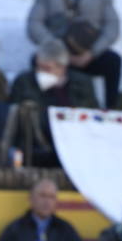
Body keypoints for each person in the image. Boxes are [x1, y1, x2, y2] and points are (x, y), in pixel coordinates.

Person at [7, 39, 100, 168]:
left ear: (62, 67)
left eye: (46, 68)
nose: (40, 71)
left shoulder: (82, 83)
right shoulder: (24, 82)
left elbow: (93, 114)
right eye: (38, 66)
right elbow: (15, 118)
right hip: (36, 145)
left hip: (74, 144)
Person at [27, 0, 122, 109]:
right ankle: (43, 109)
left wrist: (92, 52)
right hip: (57, 55)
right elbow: (34, 24)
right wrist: (57, 49)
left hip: (88, 53)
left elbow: (112, 27)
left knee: (113, 61)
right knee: (37, 61)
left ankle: (111, 110)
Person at [0, 178, 91, 241]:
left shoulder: (65, 230)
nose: (47, 201)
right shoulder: (14, 230)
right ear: (31, 198)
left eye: (51, 197)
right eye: (42, 195)